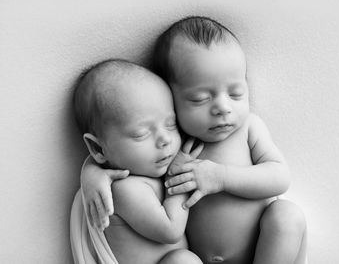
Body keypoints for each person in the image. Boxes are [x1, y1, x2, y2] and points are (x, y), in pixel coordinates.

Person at [81, 17, 307, 264]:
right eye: (200, 98)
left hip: (258, 254)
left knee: (288, 215)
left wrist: (221, 177)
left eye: (236, 93)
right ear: (171, 100)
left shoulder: (249, 128)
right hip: (194, 259)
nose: (223, 107)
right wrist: (91, 175)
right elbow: (121, 162)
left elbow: (279, 177)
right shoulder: (173, 143)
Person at [73, 59, 203, 264]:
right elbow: (171, 230)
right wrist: (178, 180)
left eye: (171, 125)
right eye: (141, 134)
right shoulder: (125, 189)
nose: (165, 140)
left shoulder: (150, 169)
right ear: (98, 148)